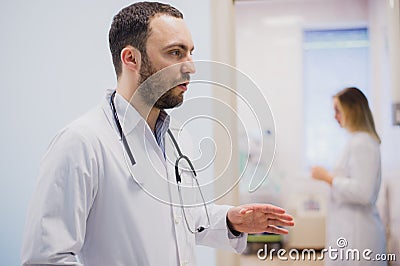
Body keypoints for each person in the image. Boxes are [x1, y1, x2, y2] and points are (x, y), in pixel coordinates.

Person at [21, 2, 294, 265]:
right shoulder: (81, 143)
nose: (191, 66)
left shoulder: (176, 136)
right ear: (131, 58)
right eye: (176, 52)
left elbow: (183, 219)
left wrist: (230, 221)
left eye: (190, 52)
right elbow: (46, 258)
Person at [312, 87, 387, 266]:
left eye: (338, 110)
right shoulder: (357, 141)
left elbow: (363, 193)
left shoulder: (362, 143)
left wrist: (327, 178)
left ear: (352, 110)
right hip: (350, 233)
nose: (334, 116)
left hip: (358, 237)